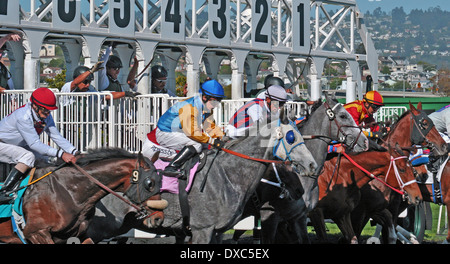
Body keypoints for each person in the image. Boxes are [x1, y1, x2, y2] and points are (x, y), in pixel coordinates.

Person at [0, 88, 78, 203]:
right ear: (35, 106)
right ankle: (4, 192)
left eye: (49, 111)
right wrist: (61, 154)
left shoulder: (44, 115)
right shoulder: (23, 116)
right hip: (2, 144)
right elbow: (34, 144)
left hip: (15, 145)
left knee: (44, 159)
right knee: (28, 157)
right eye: (45, 110)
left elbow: (57, 137)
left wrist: (75, 152)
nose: (47, 114)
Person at [155, 79, 225, 175]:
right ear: (205, 97)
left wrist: (222, 138)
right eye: (215, 102)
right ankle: (171, 167)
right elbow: (192, 132)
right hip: (164, 133)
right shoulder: (190, 107)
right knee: (197, 145)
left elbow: (210, 126)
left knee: (206, 145)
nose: (216, 105)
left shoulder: (206, 107)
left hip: (178, 133)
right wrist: (212, 141)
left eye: (218, 101)